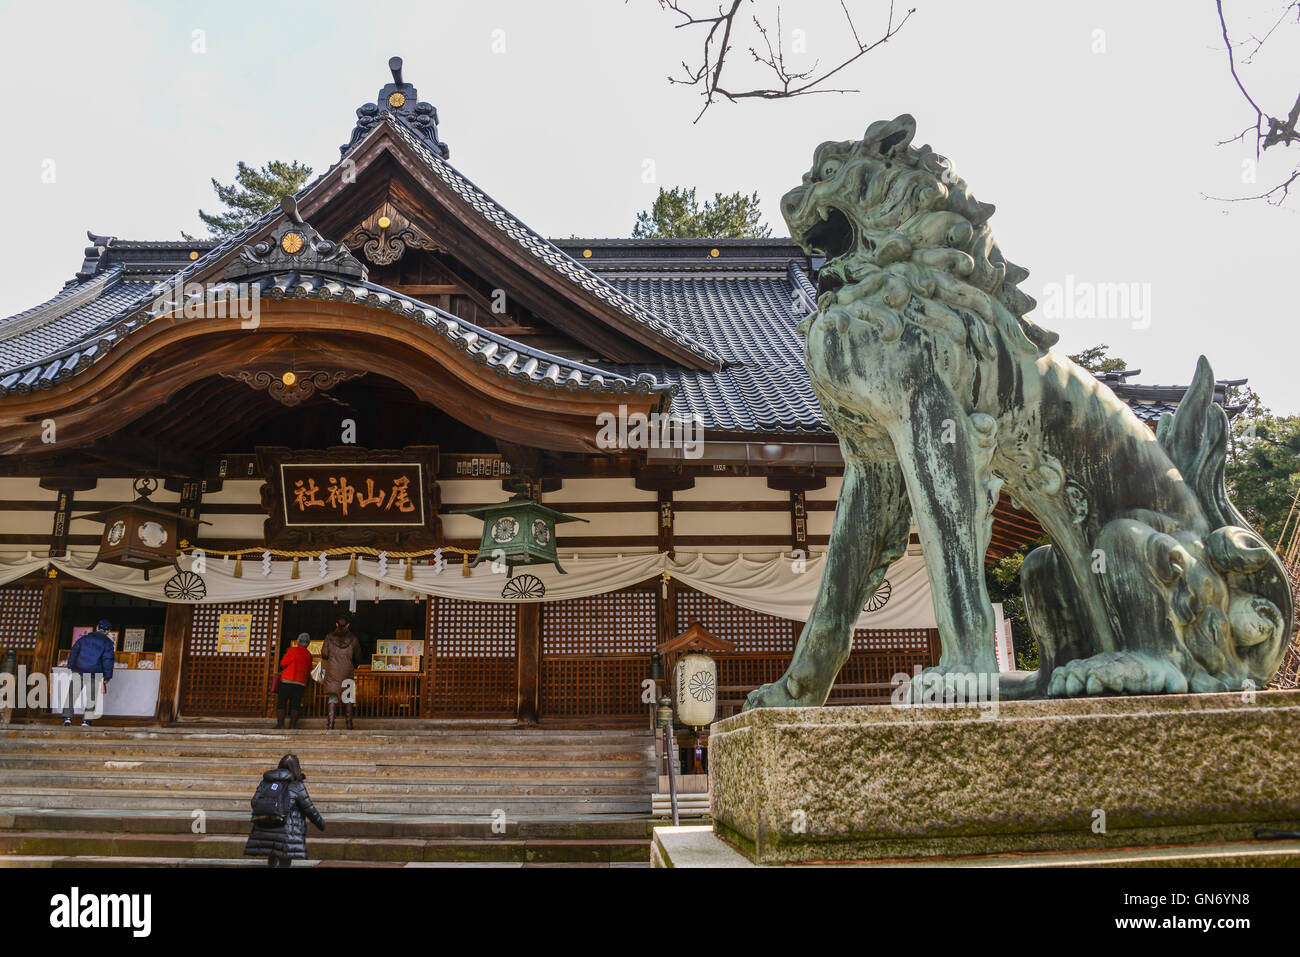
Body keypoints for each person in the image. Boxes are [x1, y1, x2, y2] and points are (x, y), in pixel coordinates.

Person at [243, 753, 325, 867]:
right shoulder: (296, 785)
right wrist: (321, 824)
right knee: (285, 860)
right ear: (296, 768)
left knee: (272, 855)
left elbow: (254, 802)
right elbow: (309, 808)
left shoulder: (266, 781)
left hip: (265, 826)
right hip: (287, 830)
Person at [63, 619, 115, 727]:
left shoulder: (84, 639)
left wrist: (71, 666)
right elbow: (108, 660)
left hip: (79, 670)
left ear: (97, 627)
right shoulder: (108, 643)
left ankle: (67, 718)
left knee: (72, 694)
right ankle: (86, 721)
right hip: (94, 673)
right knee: (91, 697)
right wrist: (107, 676)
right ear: (108, 631)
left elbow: (74, 652)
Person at [320, 616, 362, 730]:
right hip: (347, 671)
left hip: (333, 671)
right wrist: (354, 665)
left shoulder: (329, 637)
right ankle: (349, 725)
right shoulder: (353, 639)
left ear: (336, 624)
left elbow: (324, 654)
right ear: (348, 625)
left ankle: (330, 725)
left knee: (333, 698)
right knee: (347, 697)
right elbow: (358, 657)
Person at [275, 633, 313, 729]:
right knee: (295, 704)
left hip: (288, 680)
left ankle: (281, 724)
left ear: (298, 641)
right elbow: (309, 668)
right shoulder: (309, 655)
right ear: (308, 644)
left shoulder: (292, 650)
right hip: (301, 682)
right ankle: (292, 725)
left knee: (281, 702)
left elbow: (283, 663)